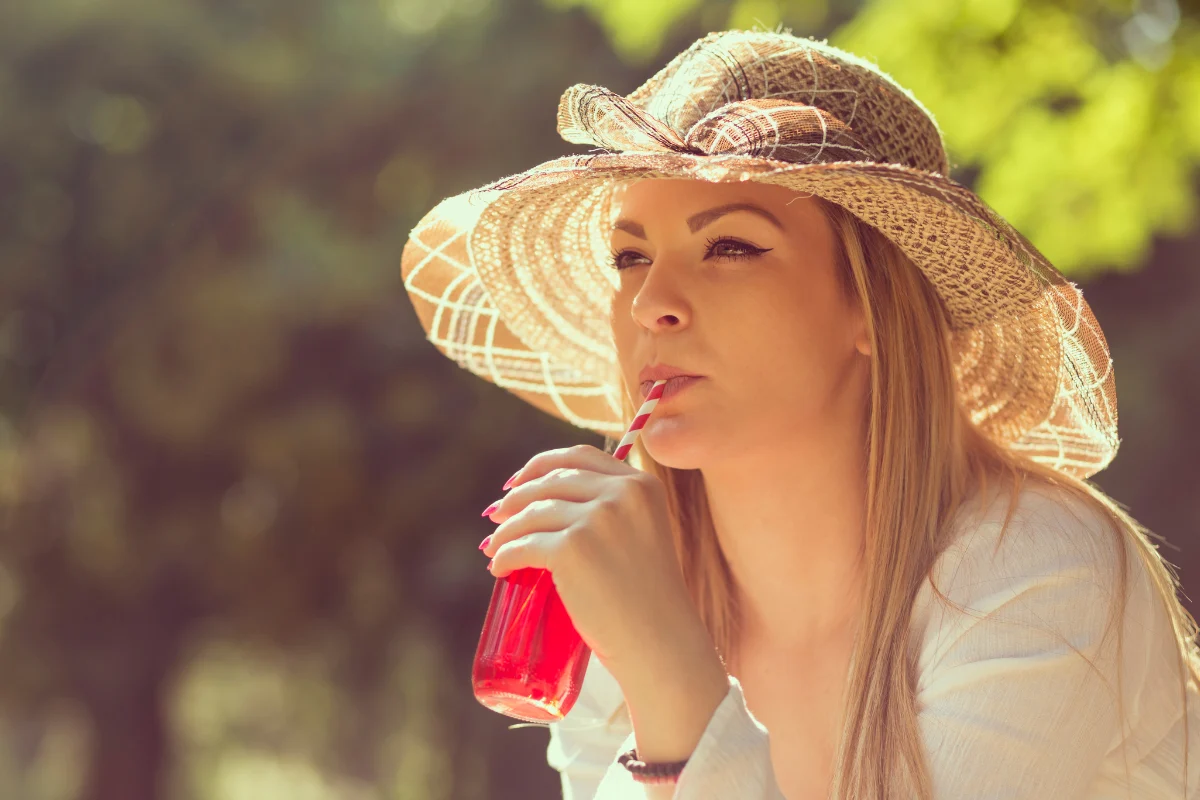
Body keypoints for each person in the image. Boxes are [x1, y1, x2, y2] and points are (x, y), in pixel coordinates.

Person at [400, 29, 1200, 799]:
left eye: (731, 248)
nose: (651, 304)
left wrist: (675, 682)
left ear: (872, 310)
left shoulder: (1039, 570)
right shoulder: (629, 582)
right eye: (631, 257)